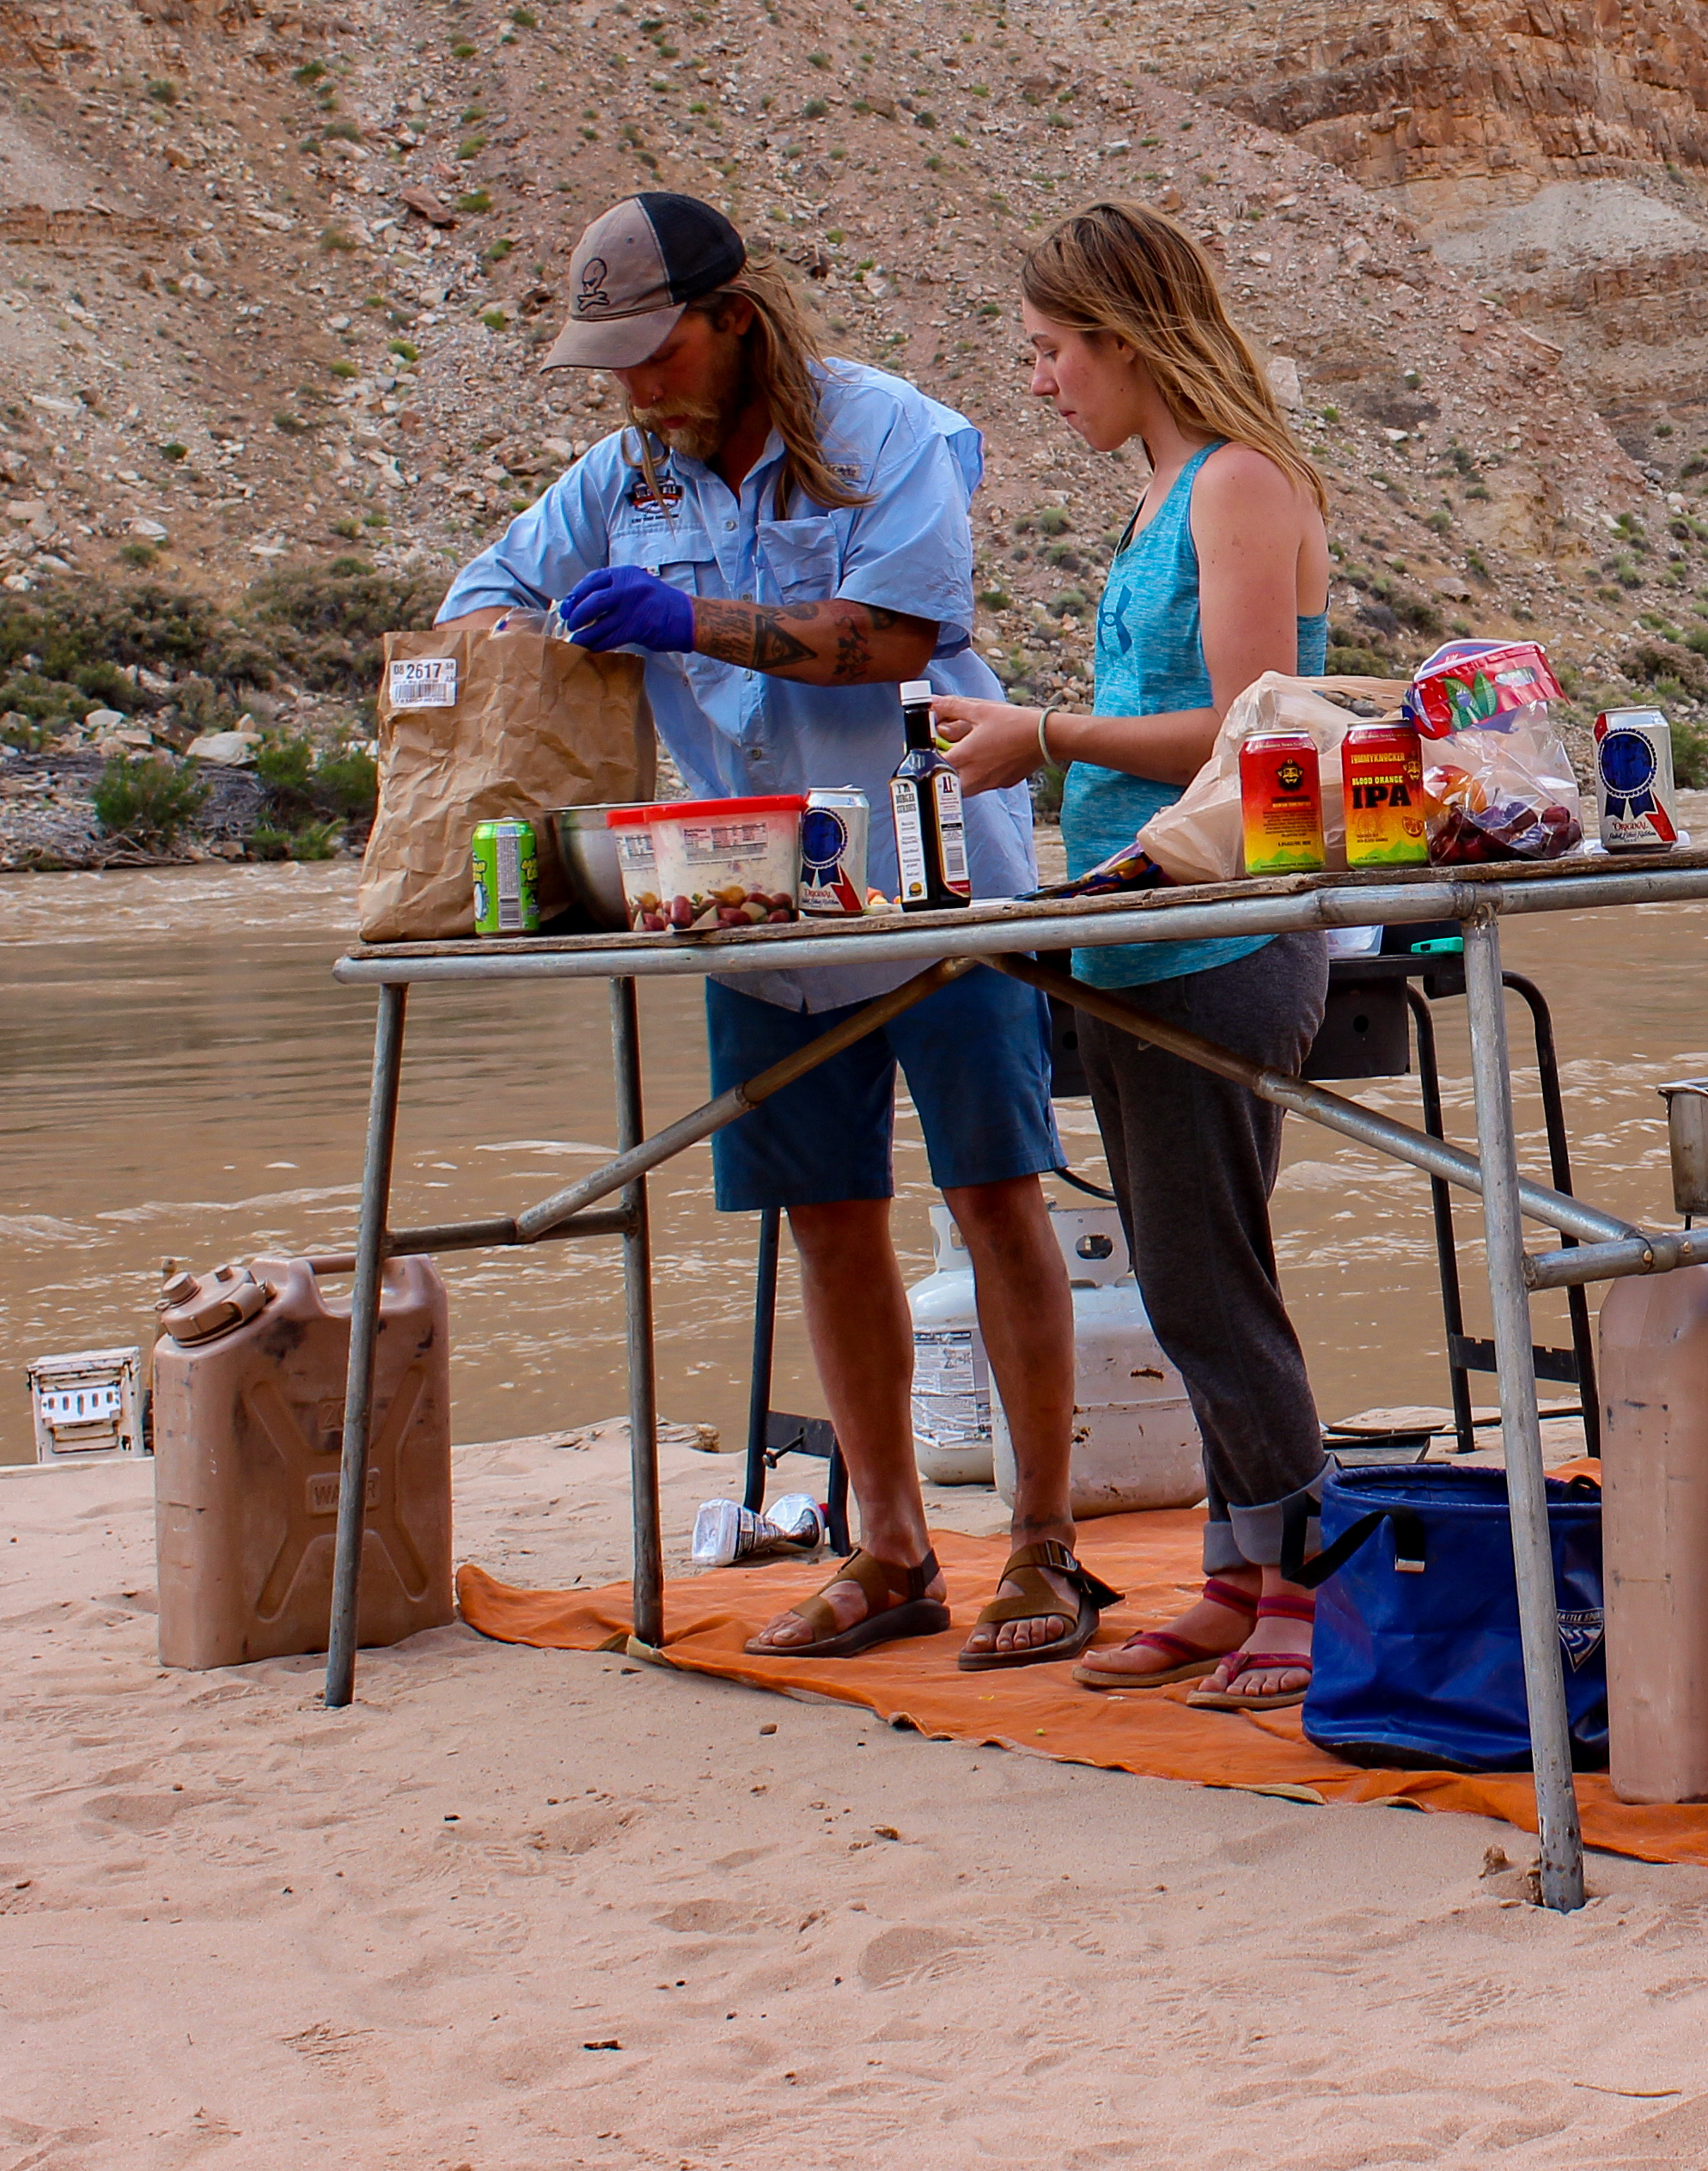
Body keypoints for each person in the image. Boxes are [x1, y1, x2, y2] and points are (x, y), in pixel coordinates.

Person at [442, 192, 1113, 1670]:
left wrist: (694, 625)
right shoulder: (621, 481)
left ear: (734, 320)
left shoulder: (889, 436)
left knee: (997, 1194)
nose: (632, 387)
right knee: (826, 1218)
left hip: (934, 882)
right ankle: (890, 1548)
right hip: (744, 897)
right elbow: (479, 596)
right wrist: (535, 643)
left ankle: (1047, 1548)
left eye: (652, 351)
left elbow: (897, 638)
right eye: (608, 363)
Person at [935, 201, 1339, 1713]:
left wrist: (1040, 736)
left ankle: (1307, 1574)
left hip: (1213, 931)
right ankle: (1242, 1576)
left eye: (1051, 352)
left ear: (1123, 336)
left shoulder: (1238, 485)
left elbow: (1251, 728)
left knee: (1208, 1277)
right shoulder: (1172, 489)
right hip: (1137, 929)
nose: (1041, 384)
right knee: (1180, 1277)